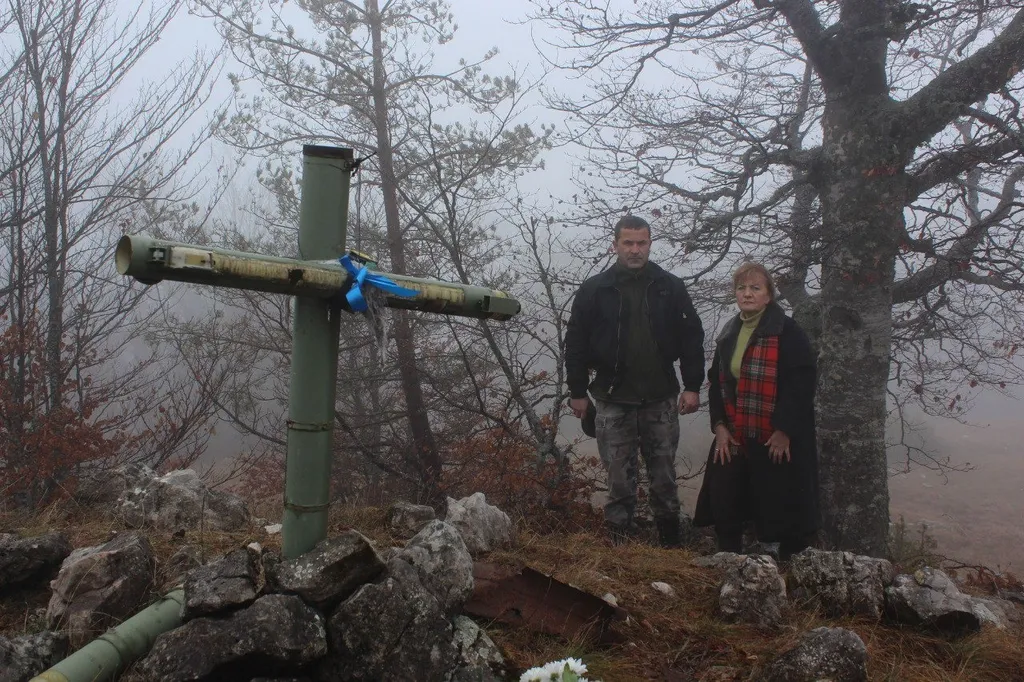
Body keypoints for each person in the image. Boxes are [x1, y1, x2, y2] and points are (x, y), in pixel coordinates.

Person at [565, 215, 705, 547]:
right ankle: (619, 549)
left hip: (660, 397)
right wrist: (577, 391)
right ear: (614, 245)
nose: (635, 249)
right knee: (618, 479)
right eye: (628, 243)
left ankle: (671, 549)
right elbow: (576, 342)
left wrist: (693, 385)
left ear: (650, 244)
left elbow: (691, 337)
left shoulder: (669, 286)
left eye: (641, 242)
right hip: (612, 399)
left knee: (664, 477)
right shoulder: (594, 290)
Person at [693, 262, 819, 559]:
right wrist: (720, 426)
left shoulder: (787, 332)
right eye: (741, 288)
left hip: (774, 435)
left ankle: (776, 563)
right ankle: (728, 559)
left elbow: (801, 385)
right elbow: (717, 383)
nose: (747, 294)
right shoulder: (729, 331)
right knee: (724, 493)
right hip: (736, 430)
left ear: (768, 296)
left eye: (755, 288)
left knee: (776, 501)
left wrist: (783, 430)